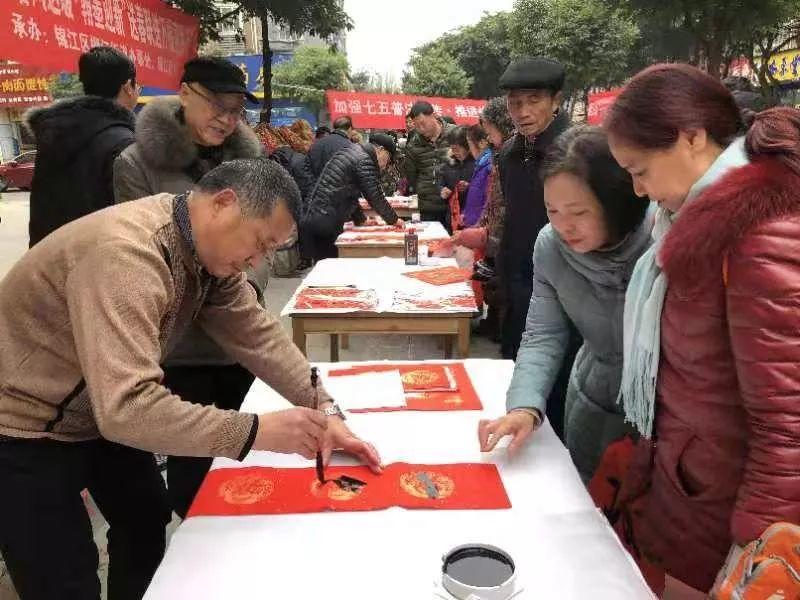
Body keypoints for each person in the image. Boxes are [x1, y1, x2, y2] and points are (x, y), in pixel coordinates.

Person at [0, 159, 381, 600]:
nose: (255, 262)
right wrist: (256, 431)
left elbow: (258, 335)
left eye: (269, 252)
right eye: (258, 244)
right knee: (63, 578)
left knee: (145, 520)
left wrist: (324, 406)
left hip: (93, 410)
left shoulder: (205, 255)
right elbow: (127, 408)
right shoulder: (129, 254)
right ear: (223, 202)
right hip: (23, 426)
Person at [607, 63, 800, 593]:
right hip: (690, 488)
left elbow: (788, 421)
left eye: (640, 169)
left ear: (691, 137)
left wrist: (758, 550)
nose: (638, 189)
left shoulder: (758, 234)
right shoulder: (686, 223)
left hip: (730, 517)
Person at [113, 56, 266, 518]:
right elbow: (144, 256)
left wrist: (250, 289)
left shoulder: (250, 162)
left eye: (236, 108)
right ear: (184, 93)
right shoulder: (138, 163)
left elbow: (265, 239)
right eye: (216, 104)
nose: (226, 117)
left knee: (251, 464)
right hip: (184, 343)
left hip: (238, 338)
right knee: (193, 475)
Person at [477, 125, 652, 484]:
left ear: (617, 200)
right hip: (593, 399)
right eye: (552, 211)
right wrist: (524, 405)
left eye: (578, 212)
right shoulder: (551, 246)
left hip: (663, 414)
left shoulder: (663, 241)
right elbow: (543, 333)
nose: (564, 226)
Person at [495, 56, 572, 361]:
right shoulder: (509, 153)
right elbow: (509, 217)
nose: (523, 113)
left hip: (563, 286)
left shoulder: (577, 151)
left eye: (534, 101)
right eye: (515, 103)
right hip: (517, 284)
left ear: (556, 101)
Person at [26, 46, 139, 247]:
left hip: (47, 258)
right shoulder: (122, 141)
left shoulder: (53, 134)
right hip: (97, 262)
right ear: (128, 86)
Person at [301, 133, 404, 261]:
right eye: (388, 160)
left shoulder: (354, 152)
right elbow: (374, 195)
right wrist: (394, 220)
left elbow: (351, 194)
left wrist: (360, 219)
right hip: (325, 218)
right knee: (329, 269)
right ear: (381, 150)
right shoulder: (364, 159)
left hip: (319, 214)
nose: (385, 165)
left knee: (327, 264)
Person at [404, 101, 457, 228]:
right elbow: (412, 176)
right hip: (428, 206)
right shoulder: (413, 145)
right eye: (417, 126)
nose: (421, 129)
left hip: (453, 203)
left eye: (423, 123)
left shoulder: (455, 134)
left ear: (434, 115)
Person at [439, 125, 475, 227]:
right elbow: (441, 182)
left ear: (467, 146)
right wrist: (442, 190)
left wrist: (469, 187)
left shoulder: (477, 163)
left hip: (470, 217)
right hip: (451, 217)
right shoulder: (449, 162)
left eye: (457, 149)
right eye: (452, 149)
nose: (455, 152)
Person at [461, 125, 492, 228]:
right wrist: (465, 214)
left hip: (479, 227)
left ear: (482, 143)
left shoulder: (489, 167)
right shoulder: (481, 164)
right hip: (472, 223)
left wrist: (479, 224)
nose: (470, 150)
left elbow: (489, 201)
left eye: (469, 144)